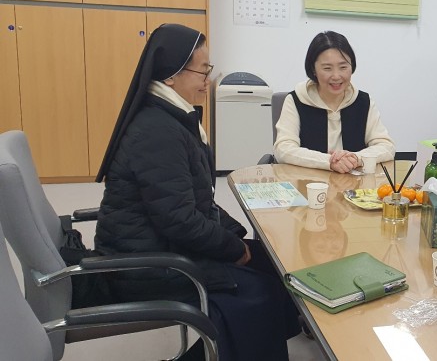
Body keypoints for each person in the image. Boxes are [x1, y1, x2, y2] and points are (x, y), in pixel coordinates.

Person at [94, 24, 300, 360]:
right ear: (171, 77)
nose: (208, 80)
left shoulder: (172, 117)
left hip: (162, 246)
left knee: (271, 263)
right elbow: (179, 220)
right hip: (147, 264)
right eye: (203, 71)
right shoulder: (157, 131)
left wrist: (235, 235)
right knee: (259, 291)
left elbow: (196, 200)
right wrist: (233, 248)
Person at [274, 31, 395, 173]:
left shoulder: (363, 102)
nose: (336, 76)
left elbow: (386, 146)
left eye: (343, 67)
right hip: (309, 181)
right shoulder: (297, 100)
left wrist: (356, 158)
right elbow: (283, 149)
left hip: (355, 184)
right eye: (327, 68)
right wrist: (329, 162)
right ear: (313, 69)